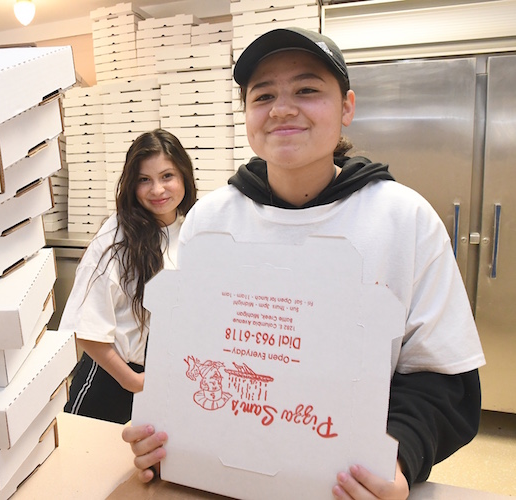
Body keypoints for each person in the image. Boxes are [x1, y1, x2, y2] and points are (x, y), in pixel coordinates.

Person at [122, 27, 485, 499]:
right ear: (248, 115)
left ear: (347, 108)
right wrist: (162, 427)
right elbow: (188, 360)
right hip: (215, 480)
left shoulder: (403, 218)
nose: (282, 108)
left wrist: (397, 460)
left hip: (341, 488)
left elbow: (445, 381)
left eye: (307, 90)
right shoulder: (211, 221)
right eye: (263, 95)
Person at [61, 129, 197, 424]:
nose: (157, 190)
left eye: (167, 176)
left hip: (167, 380)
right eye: (144, 180)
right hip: (112, 380)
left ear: (184, 177)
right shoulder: (116, 237)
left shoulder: (193, 233)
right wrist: (132, 382)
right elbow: (87, 327)